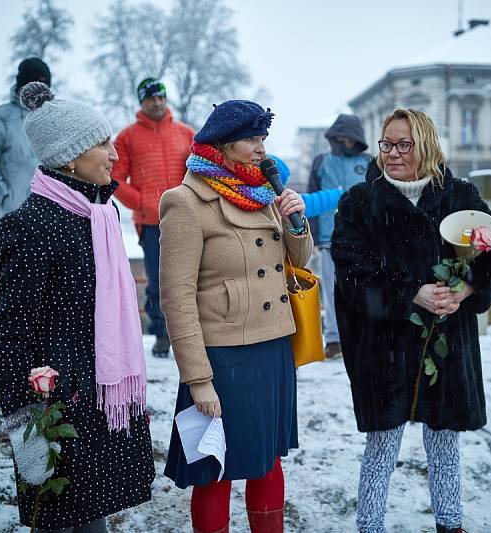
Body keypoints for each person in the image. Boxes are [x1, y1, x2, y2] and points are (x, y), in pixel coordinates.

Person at [331, 108, 491, 533]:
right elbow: (351, 268)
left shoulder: (459, 196)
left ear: (426, 147)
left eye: (403, 145)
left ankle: (450, 523)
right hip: (386, 344)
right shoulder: (361, 201)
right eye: (386, 144)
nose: (392, 154)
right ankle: (370, 524)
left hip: (445, 343)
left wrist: (468, 287)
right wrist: (410, 291)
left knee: (444, 438)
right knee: (382, 442)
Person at [0, 82, 155, 532]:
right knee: (65, 519)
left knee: (91, 516)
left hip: (98, 398)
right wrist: (27, 425)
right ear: (69, 157)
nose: (114, 154)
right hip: (59, 408)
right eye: (102, 144)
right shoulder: (30, 226)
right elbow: (12, 335)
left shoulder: (100, 214)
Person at [159, 100, 313, 533]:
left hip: (272, 348)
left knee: (267, 461)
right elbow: (176, 298)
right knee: (215, 468)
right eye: (251, 139)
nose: (261, 148)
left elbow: (298, 261)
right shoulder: (185, 202)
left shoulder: (261, 194)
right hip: (223, 359)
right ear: (222, 146)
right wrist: (198, 379)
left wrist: (296, 223)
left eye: (263, 138)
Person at [111, 77, 194, 358]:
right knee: (158, 281)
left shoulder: (186, 133)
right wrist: (143, 202)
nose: (157, 103)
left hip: (187, 219)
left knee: (192, 276)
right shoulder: (126, 137)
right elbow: (114, 178)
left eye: (161, 97)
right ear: (141, 102)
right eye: (151, 98)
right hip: (151, 223)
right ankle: (161, 334)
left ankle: (194, 332)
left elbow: (200, 171)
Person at [306, 114, 371, 359]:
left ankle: (364, 336)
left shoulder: (370, 162)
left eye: (349, 138)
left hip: (363, 240)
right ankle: (334, 339)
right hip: (327, 237)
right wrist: (309, 234)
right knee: (333, 291)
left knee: (363, 288)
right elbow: (311, 198)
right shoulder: (321, 161)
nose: (344, 142)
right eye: (339, 138)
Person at [0, 57, 51, 215]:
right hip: (15, 216)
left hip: (56, 218)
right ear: (23, 85)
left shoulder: (56, 118)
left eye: (45, 87)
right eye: (35, 85)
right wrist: (4, 197)